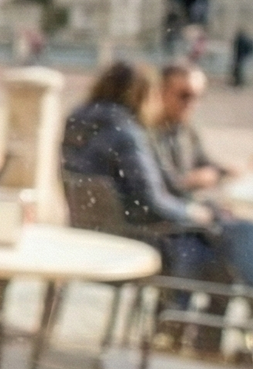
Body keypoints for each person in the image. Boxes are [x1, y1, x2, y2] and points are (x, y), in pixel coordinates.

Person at [62, 61, 253, 284]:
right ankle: (185, 314)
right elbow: (151, 201)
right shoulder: (128, 133)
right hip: (136, 239)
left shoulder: (80, 122)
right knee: (230, 244)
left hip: (91, 236)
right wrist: (196, 213)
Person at [152, 63, 232, 197]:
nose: (192, 104)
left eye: (198, 97)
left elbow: (204, 161)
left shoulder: (185, 129)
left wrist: (229, 170)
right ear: (160, 92)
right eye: (185, 96)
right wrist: (192, 181)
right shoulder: (147, 133)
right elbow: (158, 186)